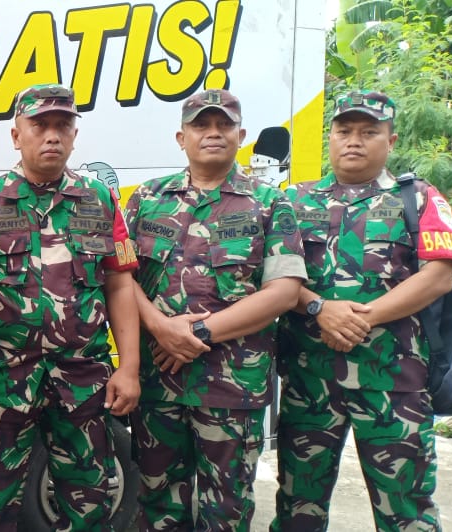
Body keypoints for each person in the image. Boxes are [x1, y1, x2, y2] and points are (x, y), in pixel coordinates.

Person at [0, 83, 142, 530]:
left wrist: (128, 366)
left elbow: (119, 284)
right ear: (17, 135)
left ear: (75, 135)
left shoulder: (99, 198)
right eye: (40, 125)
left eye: (62, 125)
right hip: (4, 376)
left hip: (84, 377)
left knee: (88, 500)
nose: (52, 135)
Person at [272, 90, 452, 531]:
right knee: (298, 506)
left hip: (394, 382)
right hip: (308, 381)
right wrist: (319, 308)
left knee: (406, 510)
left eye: (369, 132)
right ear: (331, 137)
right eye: (344, 131)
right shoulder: (294, 200)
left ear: (390, 141)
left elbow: (439, 275)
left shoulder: (419, 199)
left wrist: (362, 317)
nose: (353, 140)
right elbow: (275, 276)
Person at [124, 89, 306, 531]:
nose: (213, 133)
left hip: (231, 390)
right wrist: (159, 327)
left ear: (240, 135)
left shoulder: (269, 203)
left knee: (226, 512)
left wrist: (198, 334)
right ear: (180, 137)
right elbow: (119, 277)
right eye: (200, 125)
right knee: (157, 507)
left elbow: (283, 289)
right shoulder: (146, 199)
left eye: (224, 125)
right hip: (157, 383)